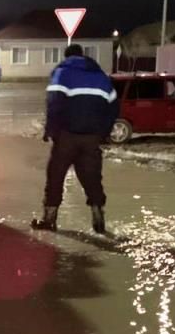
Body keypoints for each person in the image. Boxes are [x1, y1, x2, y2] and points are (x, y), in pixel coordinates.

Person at [32, 44, 119, 234]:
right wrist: (103, 133)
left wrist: (50, 130)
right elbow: (113, 108)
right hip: (92, 138)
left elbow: (54, 103)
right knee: (92, 177)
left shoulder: (62, 73)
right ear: (83, 56)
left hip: (66, 137)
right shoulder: (101, 77)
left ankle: (49, 219)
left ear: (67, 57)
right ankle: (98, 216)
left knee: (55, 176)